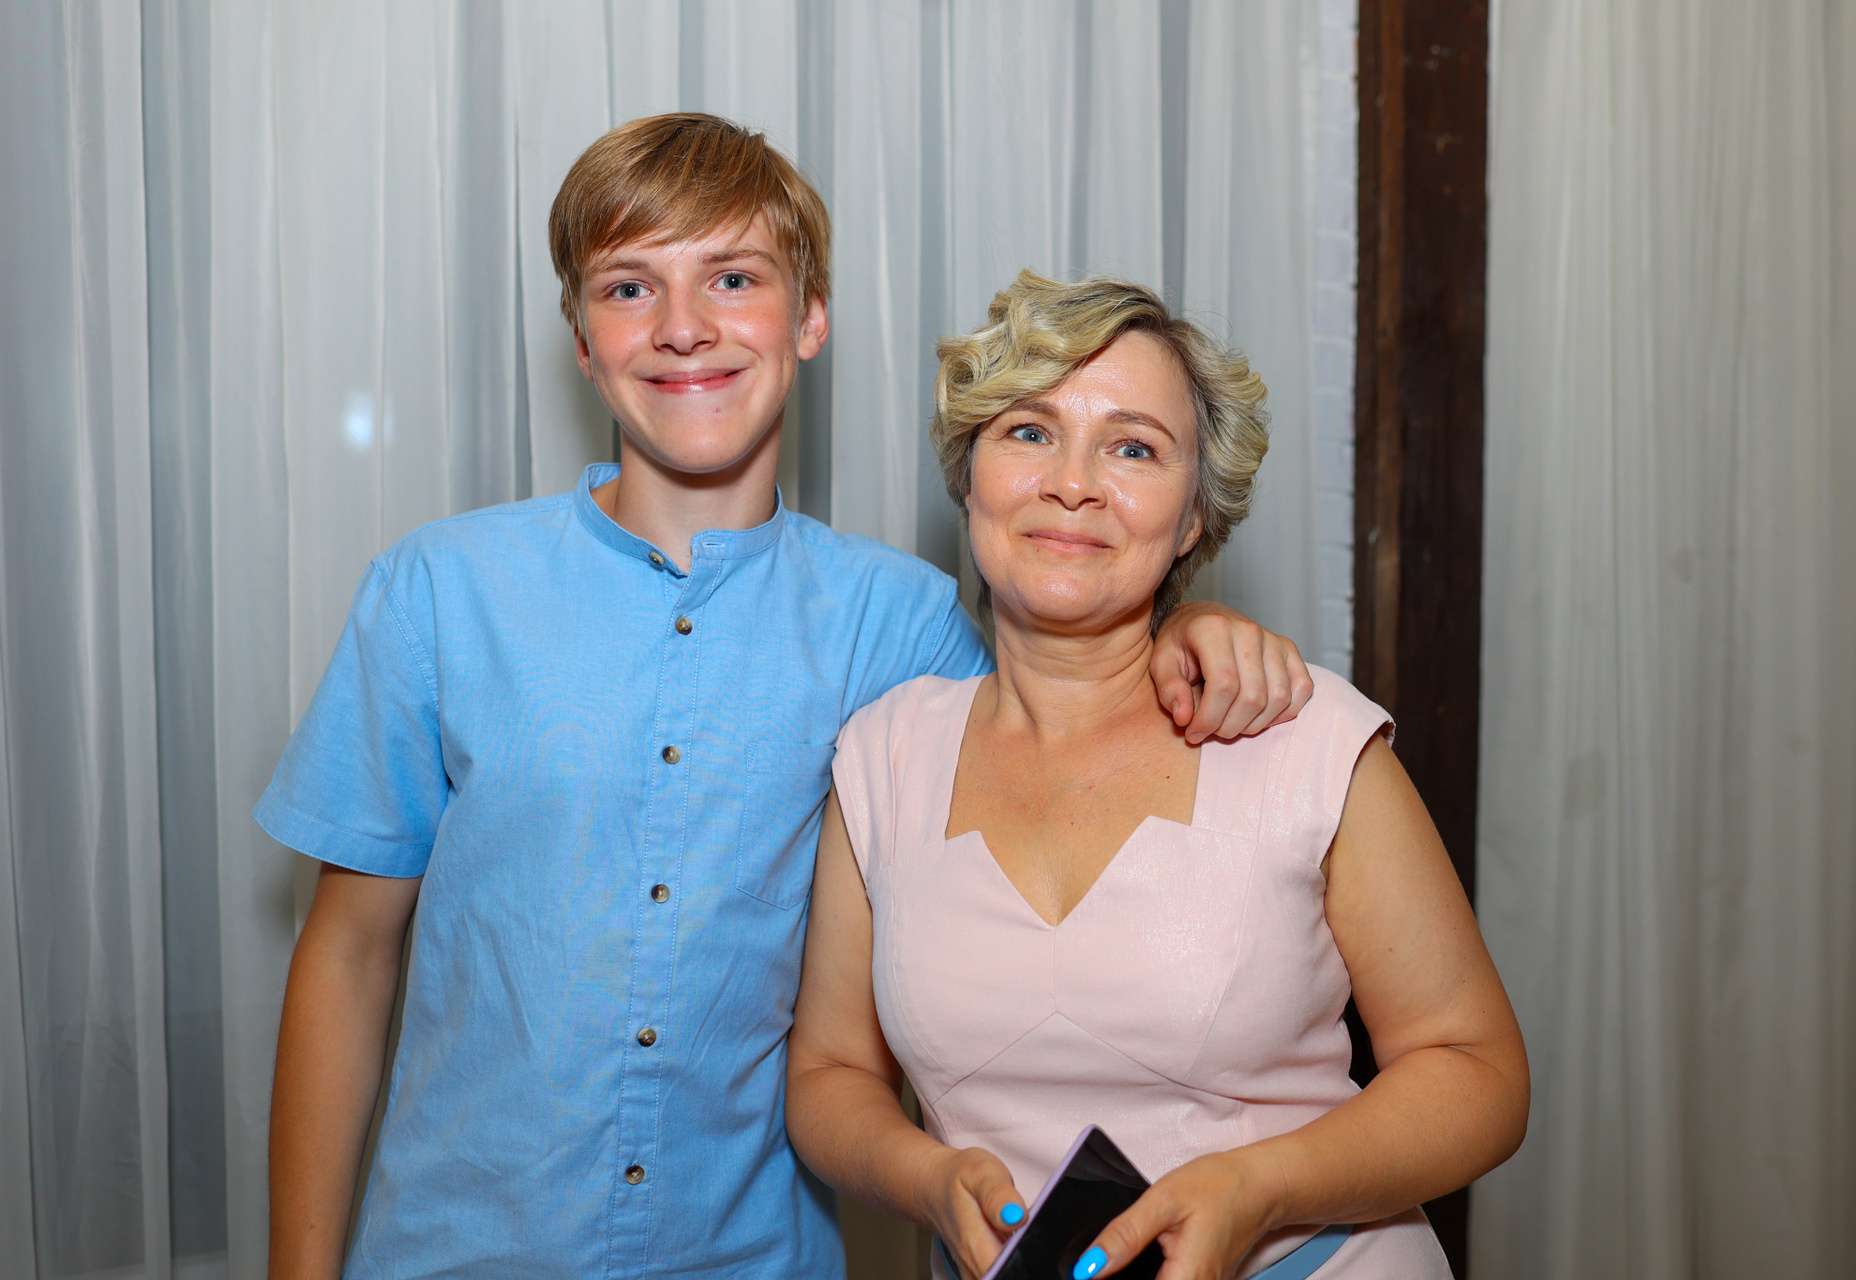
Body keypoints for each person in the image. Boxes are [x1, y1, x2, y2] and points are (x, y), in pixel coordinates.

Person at [259, 117, 1316, 1280]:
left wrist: (1186, 629)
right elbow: (346, 959)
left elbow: (1070, 720)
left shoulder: (904, 624)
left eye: (732, 277)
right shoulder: (438, 591)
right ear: (582, 340)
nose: (682, 325)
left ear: (809, 318)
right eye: (628, 286)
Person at [787, 271, 1530, 1280]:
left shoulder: (1305, 736)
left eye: (1133, 447)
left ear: (1192, 520)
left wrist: (1260, 1187)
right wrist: (924, 1176)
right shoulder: (884, 756)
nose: (1073, 482)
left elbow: (1479, 1073)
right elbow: (830, 1072)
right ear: (968, 475)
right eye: (1029, 431)